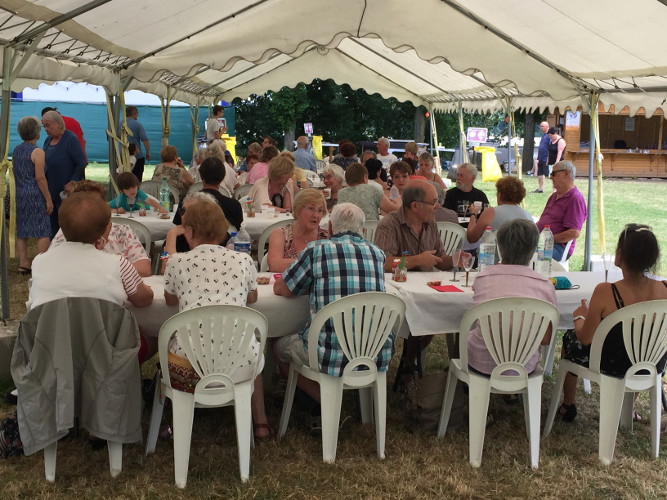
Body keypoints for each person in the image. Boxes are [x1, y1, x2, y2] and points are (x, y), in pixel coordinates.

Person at [163, 201, 272, 439]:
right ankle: (261, 421)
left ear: (189, 231)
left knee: (173, 349)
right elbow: (252, 296)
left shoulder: (176, 261)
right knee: (248, 344)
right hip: (241, 365)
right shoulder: (243, 260)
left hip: (189, 366)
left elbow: (170, 300)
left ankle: (174, 422)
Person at [273, 203, 389, 409]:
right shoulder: (378, 254)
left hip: (327, 353)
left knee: (279, 346)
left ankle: (326, 401)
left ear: (331, 229)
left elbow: (282, 289)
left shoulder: (316, 250)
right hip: (372, 352)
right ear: (362, 231)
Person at [557, 224, 667, 423]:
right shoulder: (665, 289)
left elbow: (585, 338)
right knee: (641, 347)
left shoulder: (606, 291)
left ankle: (568, 405)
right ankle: (628, 408)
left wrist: (579, 317)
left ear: (620, 255)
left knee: (569, 340)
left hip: (611, 365)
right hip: (651, 364)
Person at [374, 179, 458, 378]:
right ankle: (408, 364)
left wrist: (456, 259)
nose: (438, 207)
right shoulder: (389, 224)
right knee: (427, 313)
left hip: (427, 289)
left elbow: (440, 258)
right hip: (398, 290)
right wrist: (417, 260)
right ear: (415, 205)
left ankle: (450, 366)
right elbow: (384, 262)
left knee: (451, 310)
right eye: (434, 202)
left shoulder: (430, 223)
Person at [29, 192, 154, 310]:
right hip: (105, 331)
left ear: (60, 224)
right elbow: (144, 300)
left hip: (52, 332)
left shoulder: (39, 262)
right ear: (105, 229)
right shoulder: (118, 265)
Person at [467, 219, 556, 375]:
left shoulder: (483, 278)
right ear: (535, 248)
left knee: (466, 333)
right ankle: (512, 392)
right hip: (524, 366)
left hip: (482, 362)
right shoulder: (545, 285)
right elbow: (546, 338)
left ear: (499, 247)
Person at [51, 180, 153, 277]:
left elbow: (144, 268)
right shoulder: (66, 233)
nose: (90, 210)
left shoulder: (122, 231)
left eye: (95, 204)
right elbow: (52, 267)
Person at [13, 116, 53, 274]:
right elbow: (40, 177)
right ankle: (41, 262)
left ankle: (23, 263)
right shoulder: (38, 152)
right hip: (35, 193)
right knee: (42, 228)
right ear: (36, 132)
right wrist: (48, 199)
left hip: (20, 192)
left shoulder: (16, 150)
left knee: (22, 229)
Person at [41, 110, 87, 238]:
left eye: (48, 125)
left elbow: (81, 162)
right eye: (43, 125)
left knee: (67, 226)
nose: (45, 129)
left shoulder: (70, 138)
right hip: (51, 190)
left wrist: (73, 181)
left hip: (65, 193)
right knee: (52, 227)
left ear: (58, 123)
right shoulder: (47, 141)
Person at [173, 156, 243, 233]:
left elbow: (179, 229)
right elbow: (238, 233)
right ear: (223, 177)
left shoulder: (186, 202)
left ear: (201, 176)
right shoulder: (234, 206)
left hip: (191, 244)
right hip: (223, 244)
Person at [267, 188, 329, 272]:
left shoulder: (327, 237)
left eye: (320, 210)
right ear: (298, 209)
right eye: (311, 208)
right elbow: (274, 266)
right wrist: (313, 262)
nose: (316, 215)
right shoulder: (281, 234)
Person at [536, 160, 587, 262]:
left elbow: (574, 233)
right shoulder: (554, 196)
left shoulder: (575, 198)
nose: (550, 177)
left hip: (558, 247)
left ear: (566, 173)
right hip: (542, 242)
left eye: (553, 174)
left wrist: (546, 240)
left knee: (527, 254)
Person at [467, 176, 533, 244]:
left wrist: (473, 214)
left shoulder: (490, 212)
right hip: (520, 254)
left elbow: (471, 238)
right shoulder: (528, 216)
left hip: (493, 253)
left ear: (499, 194)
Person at [125, 106, 150, 182]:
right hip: (136, 157)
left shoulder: (120, 124)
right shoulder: (137, 124)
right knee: (136, 180)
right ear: (134, 113)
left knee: (124, 179)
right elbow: (145, 140)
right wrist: (148, 152)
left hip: (122, 155)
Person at [533, 121, 550, 193]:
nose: (540, 128)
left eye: (542, 126)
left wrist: (548, 158)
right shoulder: (543, 135)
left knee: (544, 173)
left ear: (547, 127)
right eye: (540, 126)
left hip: (545, 158)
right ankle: (540, 189)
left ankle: (554, 189)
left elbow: (550, 147)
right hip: (540, 157)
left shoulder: (549, 136)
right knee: (540, 173)